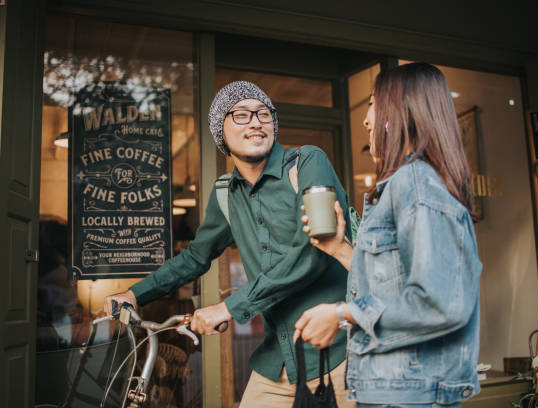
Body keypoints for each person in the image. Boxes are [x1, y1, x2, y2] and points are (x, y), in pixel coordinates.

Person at [105, 81, 354, 407]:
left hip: (337, 354)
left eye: (264, 114)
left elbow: (313, 252)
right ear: (219, 131)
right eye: (241, 114)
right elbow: (196, 256)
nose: (255, 122)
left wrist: (229, 308)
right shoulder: (225, 192)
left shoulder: (306, 162)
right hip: (276, 360)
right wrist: (135, 294)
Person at [294, 63, 482, 407]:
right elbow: (395, 286)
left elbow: (440, 302)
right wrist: (340, 248)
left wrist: (339, 314)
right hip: (395, 391)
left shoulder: (414, 183)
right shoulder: (408, 184)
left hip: (409, 395)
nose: (366, 120)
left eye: (373, 103)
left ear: (398, 113)